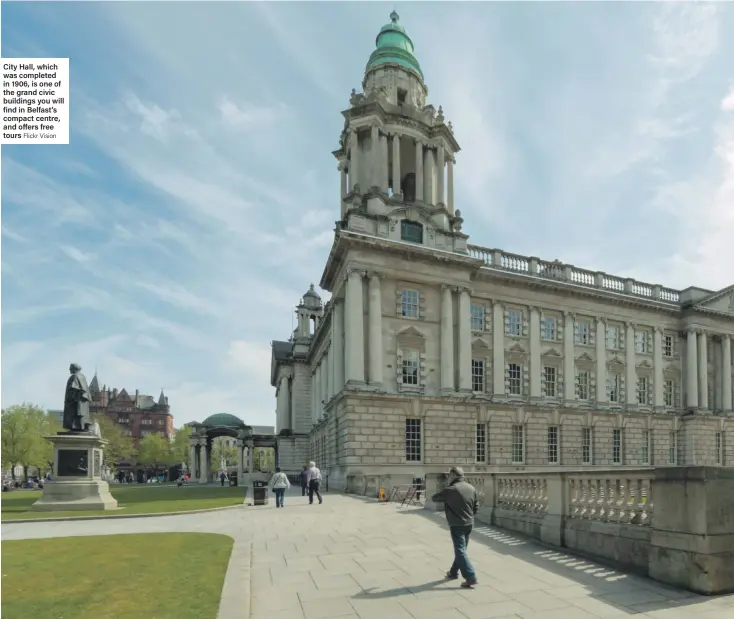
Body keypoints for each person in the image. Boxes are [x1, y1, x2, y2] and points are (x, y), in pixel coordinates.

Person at [430, 466, 479, 588]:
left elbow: (434, 498)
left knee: (460, 550)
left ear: (452, 475)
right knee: (461, 550)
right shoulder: (471, 488)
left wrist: (444, 488)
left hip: (457, 524)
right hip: (469, 523)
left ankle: (471, 576)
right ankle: (453, 572)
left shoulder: (451, 489)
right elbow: (476, 506)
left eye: (449, 475)